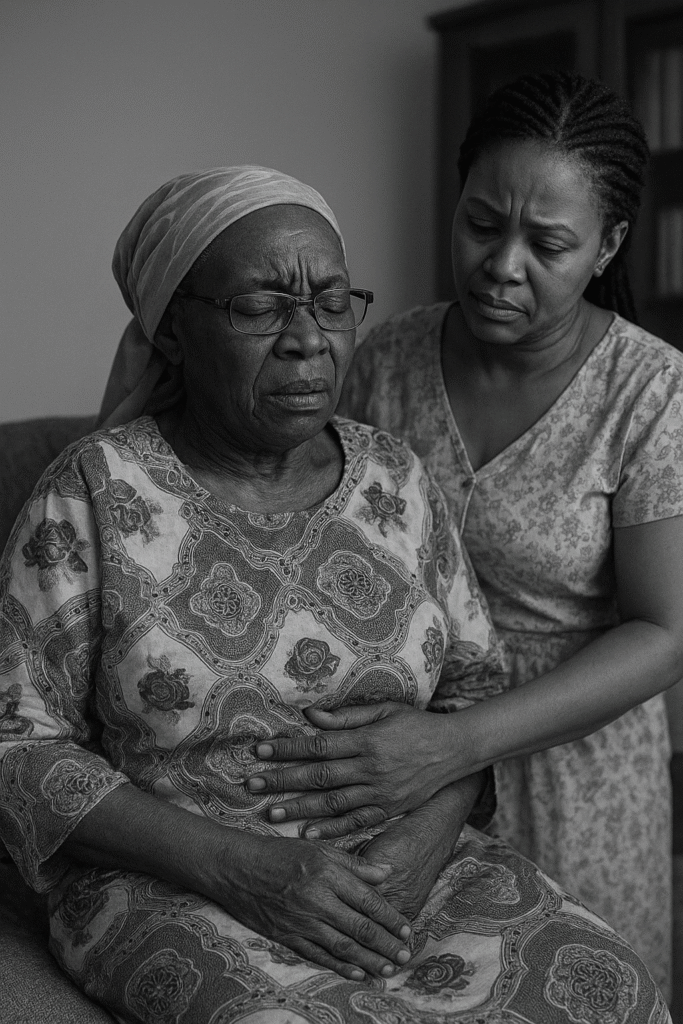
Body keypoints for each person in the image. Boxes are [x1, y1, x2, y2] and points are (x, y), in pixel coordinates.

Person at [0, 166, 671, 1024]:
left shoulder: (394, 477)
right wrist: (238, 866)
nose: (306, 339)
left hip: (411, 867)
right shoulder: (93, 491)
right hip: (178, 885)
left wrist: (419, 844)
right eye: (260, 307)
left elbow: (470, 690)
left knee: (611, 987)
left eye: (330, 302)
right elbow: (19, 740)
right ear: (170, 330)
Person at [242, 75, 682, 999]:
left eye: (547, 244)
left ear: (607, 246)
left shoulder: (650, 393)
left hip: (575, 771)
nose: (502, 265)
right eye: (482, 224)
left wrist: (455, 745)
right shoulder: (385, 358)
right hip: (391, 761)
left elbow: (663, 633)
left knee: (577, 994)